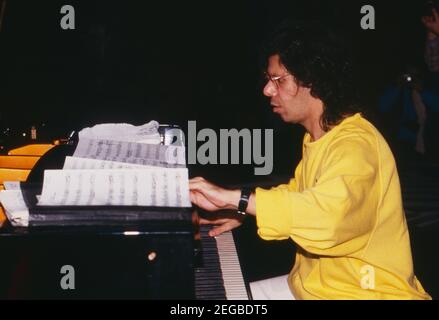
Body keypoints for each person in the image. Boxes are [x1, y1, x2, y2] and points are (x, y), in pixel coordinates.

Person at [189, 21, 432, 300]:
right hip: (319, 288)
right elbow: (302, 195)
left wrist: (239, 199)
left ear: (313, 81)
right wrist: (243, 211)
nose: (267, 90)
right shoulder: (320, 137)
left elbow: (328, 218)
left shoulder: (356, 146)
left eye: (278, 80)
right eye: (269, 80)